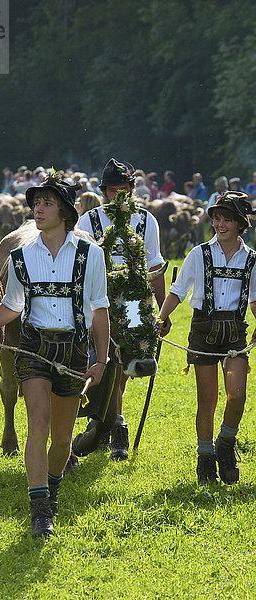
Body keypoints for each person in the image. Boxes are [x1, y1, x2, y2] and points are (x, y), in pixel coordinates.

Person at [0, 176, 110, 538]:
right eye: (36, 202)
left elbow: (100, 309)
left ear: (66, 214)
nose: (37, 209)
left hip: (73, 351)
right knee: (37, 424)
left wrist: (100, 360)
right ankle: (40, 508)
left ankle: (51, 488)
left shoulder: (91, 255)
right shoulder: (21, 255)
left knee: (62, 439)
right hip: (34, 349)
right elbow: (11, 306)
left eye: (46, 203)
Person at [157, 191, 256, 485]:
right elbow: (177, 290)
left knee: (237, 395)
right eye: (216, 218)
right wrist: (162, 318)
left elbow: (254, 301)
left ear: (241, 224)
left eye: (227, 219)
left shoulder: (251, 259)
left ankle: (225, 444)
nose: (219, 224)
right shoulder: (199, 253)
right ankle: (205, 460)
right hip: (203, 329)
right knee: (207, 400)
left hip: (235, 331)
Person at [76, 158, 170, 460]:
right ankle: (109, 421)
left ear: (133, 189)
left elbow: (154, 265)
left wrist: (161, 312)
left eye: (124, 189)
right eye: (113, 190)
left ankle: (113, 422)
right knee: (101, 359)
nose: (119, 195)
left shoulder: (146, 220)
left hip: (133, 301)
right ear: (105, 192)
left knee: (125, 361)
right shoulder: (88, 220)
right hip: (98, 298)